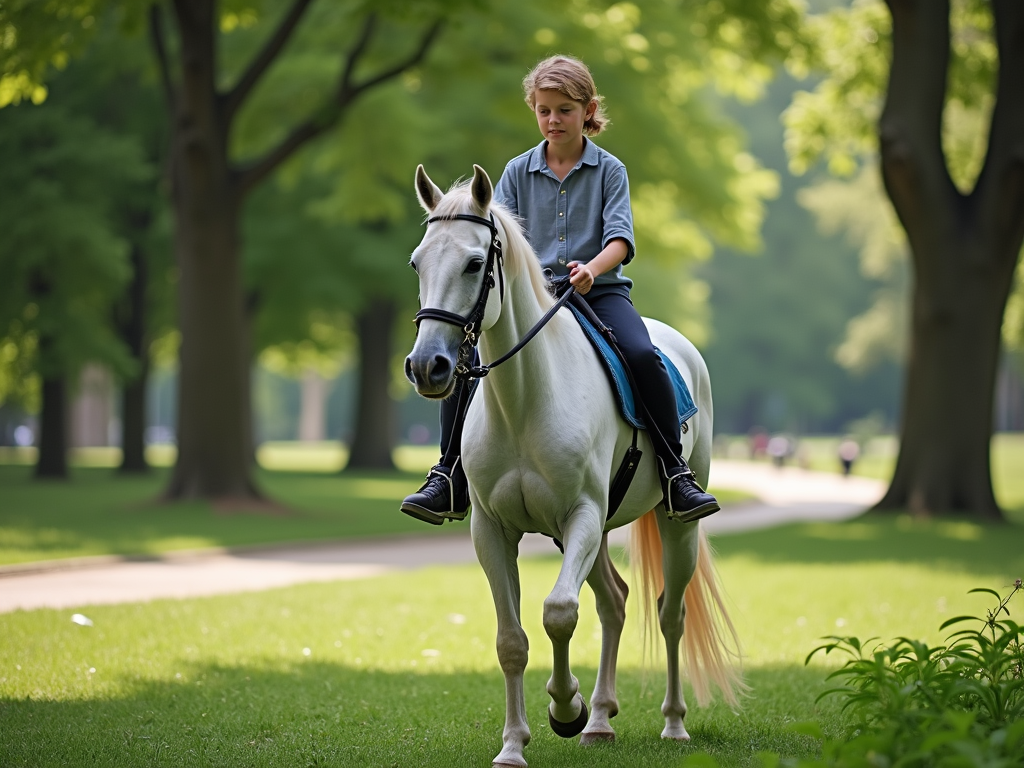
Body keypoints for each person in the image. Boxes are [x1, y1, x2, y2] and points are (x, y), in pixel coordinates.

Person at [401, 55, 719, 526]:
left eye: (565, 110)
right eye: (544, 109)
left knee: (640, 353)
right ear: (534, 109)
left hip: (600, 292)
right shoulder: (515, 172)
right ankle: (447, 475)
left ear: (588, 110)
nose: (553, 120)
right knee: (466, 362)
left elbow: (621, 239)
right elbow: (497, 243)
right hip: (534, 298)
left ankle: (674, 472)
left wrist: (591, 269)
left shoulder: (610, 170)